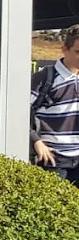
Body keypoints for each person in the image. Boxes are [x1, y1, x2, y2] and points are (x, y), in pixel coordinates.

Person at [32, 23, 79, 185]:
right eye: (78, 52)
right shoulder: (44, 78)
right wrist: (36, 142)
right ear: (64, 49)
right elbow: (17, 114)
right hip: (53, 160)